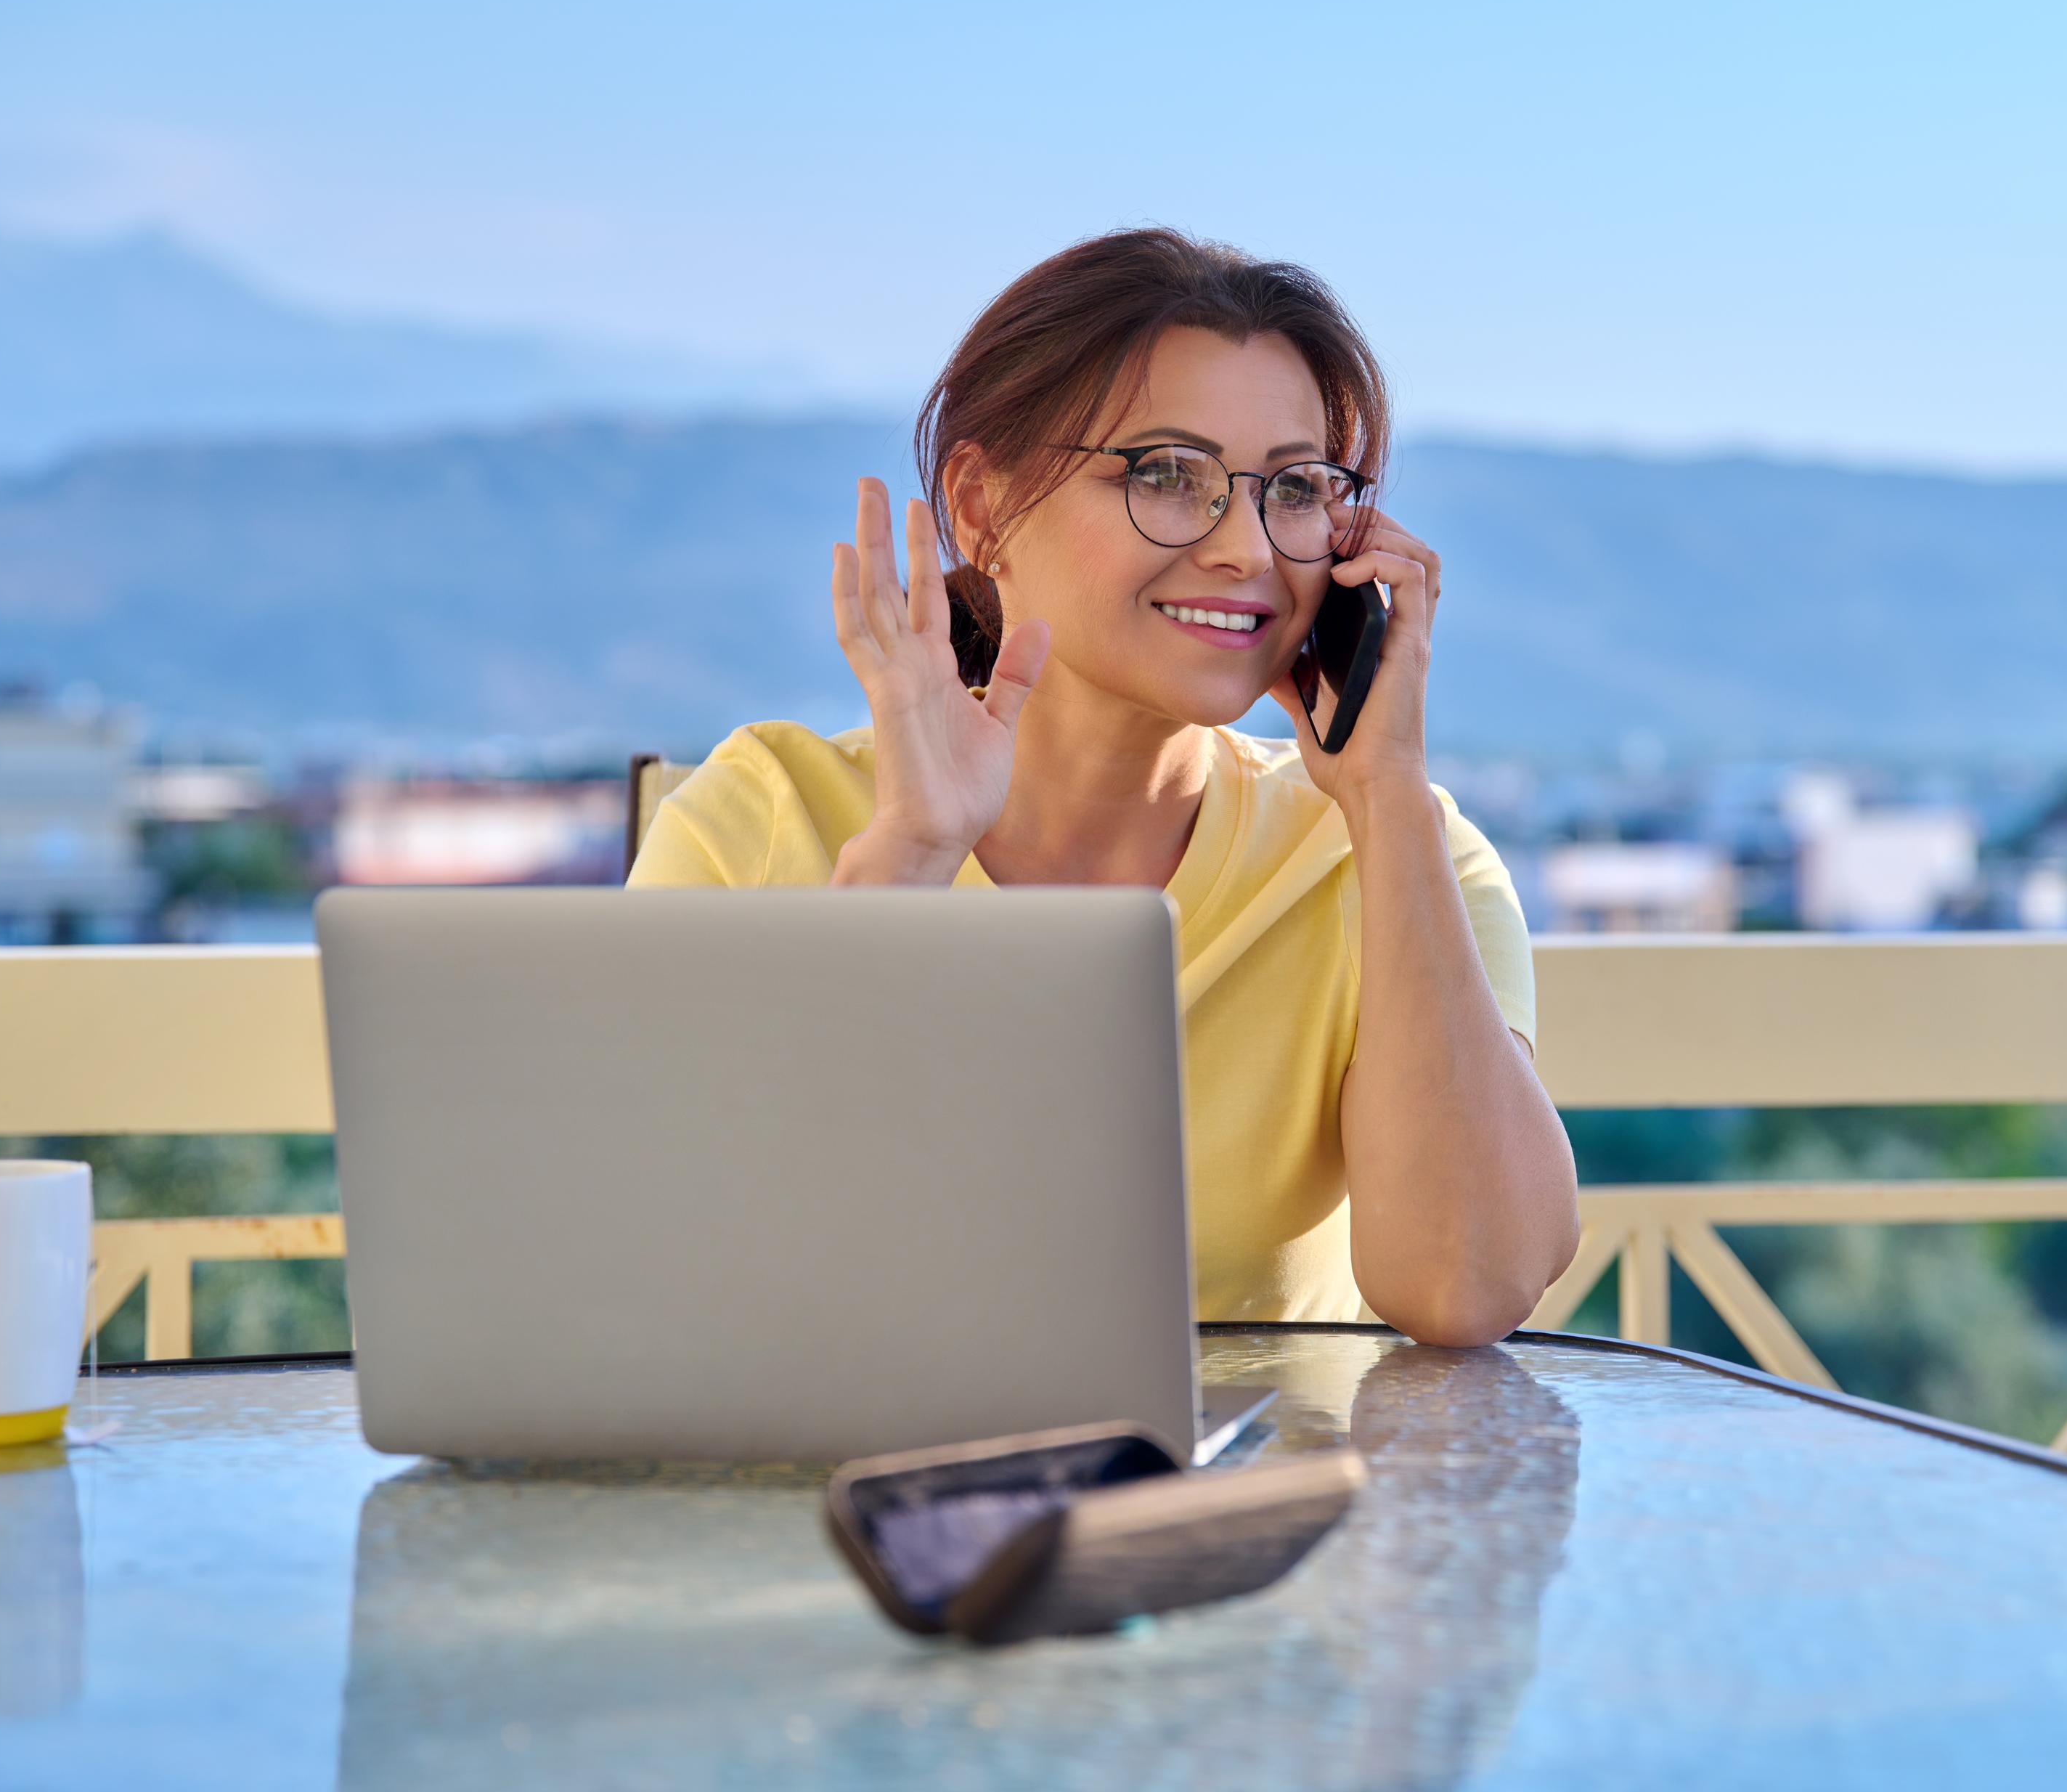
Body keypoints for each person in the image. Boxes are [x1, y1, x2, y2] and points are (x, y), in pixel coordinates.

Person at [629, 229, 1577, 1345]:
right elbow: (675, 1272)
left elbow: (1466, 1288)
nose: (1246, 548)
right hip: (822, 1504)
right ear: (982, 509)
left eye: (1296, 488)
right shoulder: (762, 818)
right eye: (1170, 478)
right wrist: (913, 859)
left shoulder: (1393, 853)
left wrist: (1384, 797)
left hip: (1241, 1512)